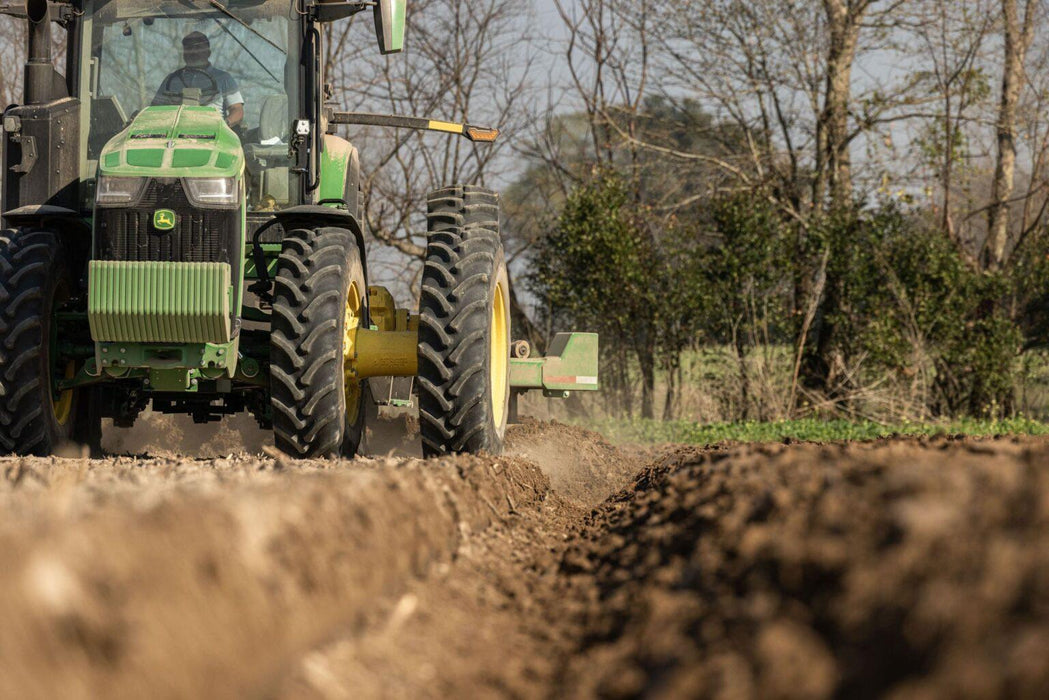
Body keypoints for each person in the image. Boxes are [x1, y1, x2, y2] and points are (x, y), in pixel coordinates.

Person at [152, 32, 244, 128]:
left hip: (213, 135)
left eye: (198, 48)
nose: (193, 52)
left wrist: (223, 126)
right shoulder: (171, 80)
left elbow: (237, 110)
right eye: (189, 48)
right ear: (184, 53)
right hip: (173, 133)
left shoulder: (223, 78)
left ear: (208, 52)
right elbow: (154, 110)